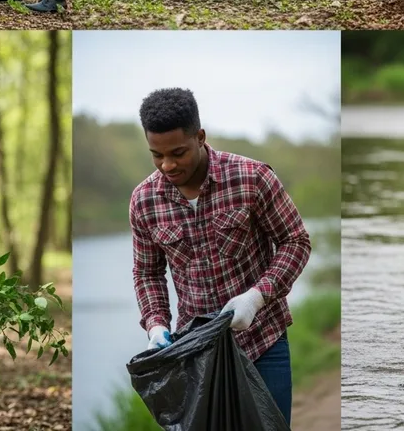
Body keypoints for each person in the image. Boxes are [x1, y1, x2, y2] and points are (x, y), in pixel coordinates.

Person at [129, 88, 310, 425]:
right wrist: (155, 324)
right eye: (157, 155)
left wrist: (257, 298)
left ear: (200, 137)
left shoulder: (252, 177)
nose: (167, 165)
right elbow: (147, 273)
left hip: (263, 343)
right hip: (196, 355)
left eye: (178, 153)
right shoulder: (144, 200)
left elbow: (295, 241)